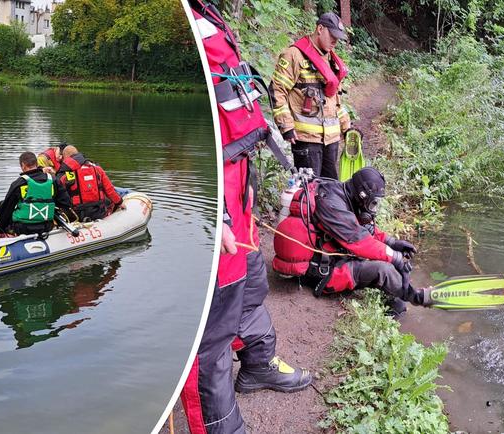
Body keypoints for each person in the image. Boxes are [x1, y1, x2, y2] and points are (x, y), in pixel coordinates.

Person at [182, 2, 313, 433]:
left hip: (237, 186)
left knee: (251, 284)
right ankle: (222, 426)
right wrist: (214, 212)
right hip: (214, 204)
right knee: (213, 331)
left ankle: (258, 364)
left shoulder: (208, 12)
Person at [272, 167, 425, 315]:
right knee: (383, 270)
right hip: (320, 272)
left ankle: (400, 299)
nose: (374, 208)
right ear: (362, 195)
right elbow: (360, 242)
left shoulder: (344, 193)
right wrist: (396, 258)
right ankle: (415, 298)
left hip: (329, 256)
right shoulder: (332, 205)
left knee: (387, 260)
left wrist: (390, 242)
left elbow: (362, 229)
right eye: (373, 203)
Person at [270, 12, 351, 179]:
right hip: (306, 140)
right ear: (320, 29)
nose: (335, 41)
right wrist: (286, 126)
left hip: (331, 139)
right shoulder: (293, 55)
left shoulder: (330, 60)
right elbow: (278, 91)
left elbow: (336, 101)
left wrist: (347, 128)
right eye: (332, 35)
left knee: (330, 191)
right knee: (309, 192)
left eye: (338, 38)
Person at [0, 151, 71, 236]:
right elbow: (66, 203)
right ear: (37, 163)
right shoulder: (53, 180)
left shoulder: (18, 183)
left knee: (2, 206)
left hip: (22, 228)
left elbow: (6, 211)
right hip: (46, 226)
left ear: (23, 165)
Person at [56, 145, 125, 221]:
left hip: (77, 215)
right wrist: (120, 203)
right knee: (109, 202)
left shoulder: (67, 174)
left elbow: (60, 194)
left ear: (66, 157)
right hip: (98, 212)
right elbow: (110, 190)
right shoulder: (97, 169)